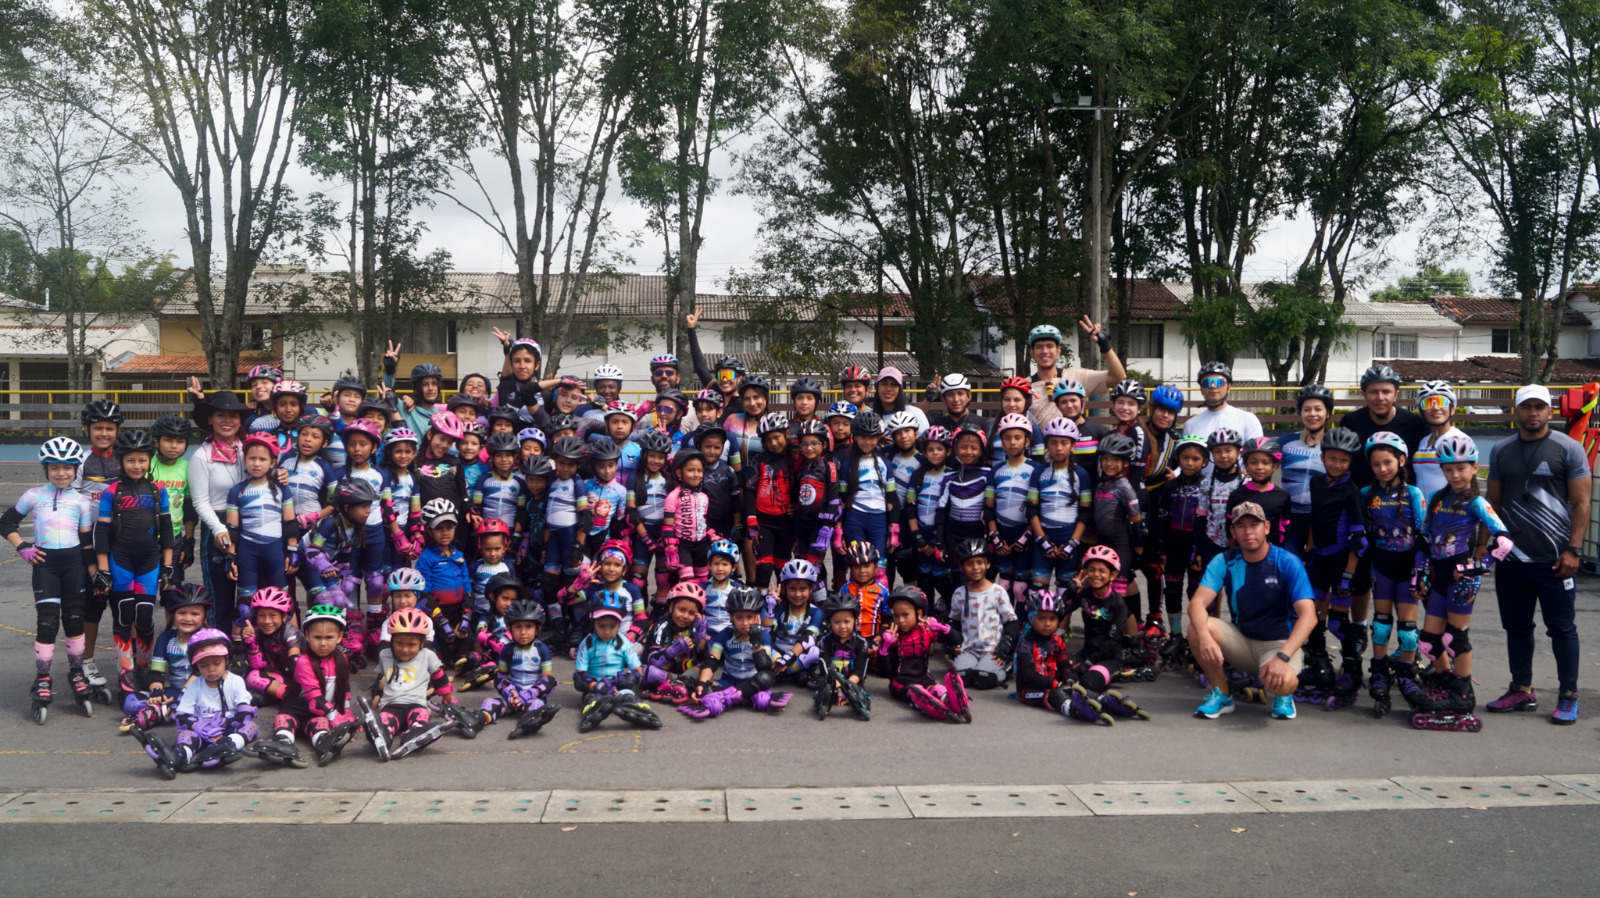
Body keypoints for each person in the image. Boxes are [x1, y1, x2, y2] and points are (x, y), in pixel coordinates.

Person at [1485, 384, 1590, 724]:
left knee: (1561, 629)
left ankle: (1568, 695)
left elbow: (1582, 503)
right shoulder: (1501, 450)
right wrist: (1482, 548)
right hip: (1513, 559)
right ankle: (1521, 689)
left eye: (1539, 407)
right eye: (1526, 407)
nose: (1533, 413)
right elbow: (1493, 504)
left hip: (1556, 560)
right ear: (1516, 411)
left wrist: (1574, 550)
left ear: (1550, 411)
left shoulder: (1569, 449)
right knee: (1517, 627)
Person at [1399, 433, 1511, 731]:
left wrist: (1477, 567)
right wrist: (1420, 573)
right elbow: (1424, 539)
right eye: (1448, 469)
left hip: (1462, 580)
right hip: (1437, 577)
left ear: (1475, 468)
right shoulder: (1438, 499)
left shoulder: (1476, 502)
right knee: (1428, 642)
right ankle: (1447, 683)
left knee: (1454, 638)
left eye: (1461, 468)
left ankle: (1462, 695)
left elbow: (1504, 541)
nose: (1455, 474)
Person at [1187, 502, 1319, 721]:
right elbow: (1197, 603)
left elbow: (1309, 615)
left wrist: (1282, 656)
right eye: (1241, 526)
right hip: (1242, 641)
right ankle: (1222, 694)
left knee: (1283, 683)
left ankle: (1284, 697)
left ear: (1266, 527)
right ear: (1233, 532)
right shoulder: (1224, 560)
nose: (1248, 532)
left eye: (1254, 525)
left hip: (1279, 645)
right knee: (1197, 627)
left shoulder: (1287, 562)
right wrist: (1204, 638)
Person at [3, 437, 98, 723]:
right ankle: (43, 678)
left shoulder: (81, 501)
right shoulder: (33, 495)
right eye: (55, 468)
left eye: (68, 468)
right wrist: (22, 547)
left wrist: (94, 572)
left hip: (74, 566)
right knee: (47, 622)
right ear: (45, 469)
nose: (61, 473)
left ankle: (77, 672)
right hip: (45, 566)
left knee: (73, 620)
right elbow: (5, 522)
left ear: (75, 470)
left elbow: (85, 541)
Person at [98, 430, 176, 687]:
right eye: (130, 460)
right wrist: (103, 570)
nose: (136, 465)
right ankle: (126, 670)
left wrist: (167, 565)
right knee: (123, 614)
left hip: (148, 562)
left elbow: (166, 530)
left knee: (144, 615)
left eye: (142, 460)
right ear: (120, 461)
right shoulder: (111, 492)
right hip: (120, 561)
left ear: (149, 460)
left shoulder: (158, 490)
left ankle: (143, 666)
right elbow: (102, 533)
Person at [130, 627, 259, 778]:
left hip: (228, 728)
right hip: (201, 730)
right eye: (204, 665)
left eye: (216, 663)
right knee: (186, 734)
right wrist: (199, 727)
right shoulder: (195, 684)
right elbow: (181, 716)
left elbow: (245, 713)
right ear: (196, 666)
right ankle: (177, 757)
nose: (211, 669)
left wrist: (223, 724)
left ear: (227, 660)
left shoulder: (235, 681)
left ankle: (226, 747)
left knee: (251, 727)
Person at [187, 390, 247, 636]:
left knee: (247, 594)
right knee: (220, 597)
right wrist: (219, 529)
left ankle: (248, 649)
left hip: (248, 524)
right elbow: (200, 501)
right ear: (210, 419)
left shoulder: (248, 450)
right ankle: (217, 646)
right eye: (220, 414)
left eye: (233, 415)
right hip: (218, 525)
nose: (227, 420)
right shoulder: (201, 457)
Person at [1020, 318, 1128, 425]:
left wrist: (1104, 344)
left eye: (1050, 346)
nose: (1044, 351)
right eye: (1039, 347)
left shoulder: (1076, 376)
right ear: (1032, 353)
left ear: (1058, 351)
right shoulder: (1024, 386)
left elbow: (1118, 376)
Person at [1338, 365, 1428, 488]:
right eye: (1373, 392)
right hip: (1361, 499)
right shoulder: (1351, 422)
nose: (1380, 398)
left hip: (1404, 501)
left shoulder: (1415, 424)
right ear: (1364, 394)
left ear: (1396, 394)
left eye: (1386, 392)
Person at [1280, 384, 1332, 557]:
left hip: (1319, 519)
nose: (1312, 414)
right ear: (1300, 413)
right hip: (1289, 519)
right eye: (1306, 409)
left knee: (1315, 574)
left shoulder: (1334, 445)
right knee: (1289, 570)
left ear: (1328, 413)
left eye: (1318, 409)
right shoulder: (1285, 442)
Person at [1181, 362, 1263, 449]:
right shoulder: (1190, 425)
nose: (1213, 386)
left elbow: (1256, 457)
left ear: (1228, 387)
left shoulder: (1248, 420)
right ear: (1201, 389)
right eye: (1207, 383)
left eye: (1219, 382)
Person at [1412, 381, 1464, 500]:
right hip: (1423, 514)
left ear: (1452, 409)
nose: (1435, 407)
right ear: (1421, 412)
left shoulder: (1458, 439)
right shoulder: (1423, 441)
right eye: (1428, 403)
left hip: (1447, 513)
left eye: (1441, 402)